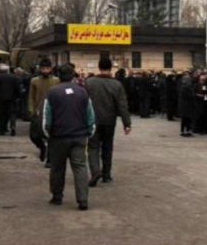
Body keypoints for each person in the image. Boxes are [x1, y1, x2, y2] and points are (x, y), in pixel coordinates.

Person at [43, 63, 96, 210]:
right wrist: (89, 132)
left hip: (58, 136)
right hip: (79, 136)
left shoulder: (52, 92)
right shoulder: (82, 92)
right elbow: (90, 115)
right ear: (73, 75)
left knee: (57, 168)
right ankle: (83, 199)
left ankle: (57, 196)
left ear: (58, 75)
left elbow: (47, 117)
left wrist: (48, 134)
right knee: (80, 167)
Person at [86, 57, 131, 186]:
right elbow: (122, 105)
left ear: (99, 67)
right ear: (111, 68)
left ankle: (95, 171)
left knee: (93, 147)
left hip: (93, 120)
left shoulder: (89, 82)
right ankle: (106, 175)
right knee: (107, 147)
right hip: (109, 121)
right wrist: (126, 123)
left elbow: (83, 102)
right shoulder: (117, 84)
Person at [28, 57, 59, 163]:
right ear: (40, 69)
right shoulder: (34, 81)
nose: (45, 70)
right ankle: (42, 147)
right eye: (43, 68)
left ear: (51, 69)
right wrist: (31, 110)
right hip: (38, 111)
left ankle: (50, 159)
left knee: (51, 136)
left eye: (47, 68)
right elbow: (31, 97)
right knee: (34, 135)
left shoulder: (56, 81)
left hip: (52, 111)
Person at [0, 64, 22, 136]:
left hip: (1, 98)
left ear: (0, 70)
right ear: (7, 70)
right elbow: (18, 88)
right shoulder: (14, 77)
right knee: (12, 113)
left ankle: (2, 129)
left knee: (2, 114)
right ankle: (13, 126)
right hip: (12, 98)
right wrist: (17, 96)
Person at [178, 72, 195, 136]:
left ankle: (184, 131)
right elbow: (189, 96)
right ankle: (186, 131)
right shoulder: (186, 87)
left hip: (184, 105)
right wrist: (193, 95)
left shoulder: (183, 86)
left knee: (184, 119)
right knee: (187, 119)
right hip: (187, 105)